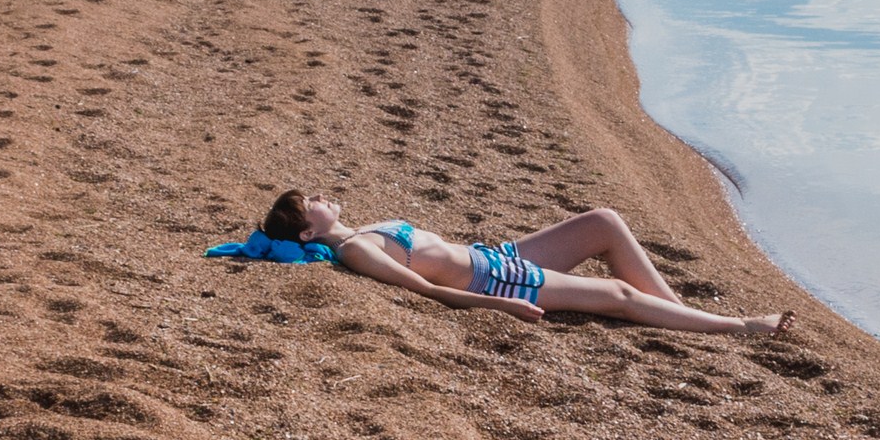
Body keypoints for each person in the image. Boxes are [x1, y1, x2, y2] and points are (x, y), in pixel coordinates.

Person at [261, 191, 795, 336]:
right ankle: (738, 326)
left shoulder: (363, 231)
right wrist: (499, 304)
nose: (324, 197)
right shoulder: (356, 250)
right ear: (310, 231)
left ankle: (681, 316)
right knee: (616, 295)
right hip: (495, 277)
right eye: (314, 203)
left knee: (604, 222)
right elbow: (425, 290)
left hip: (496, 255)